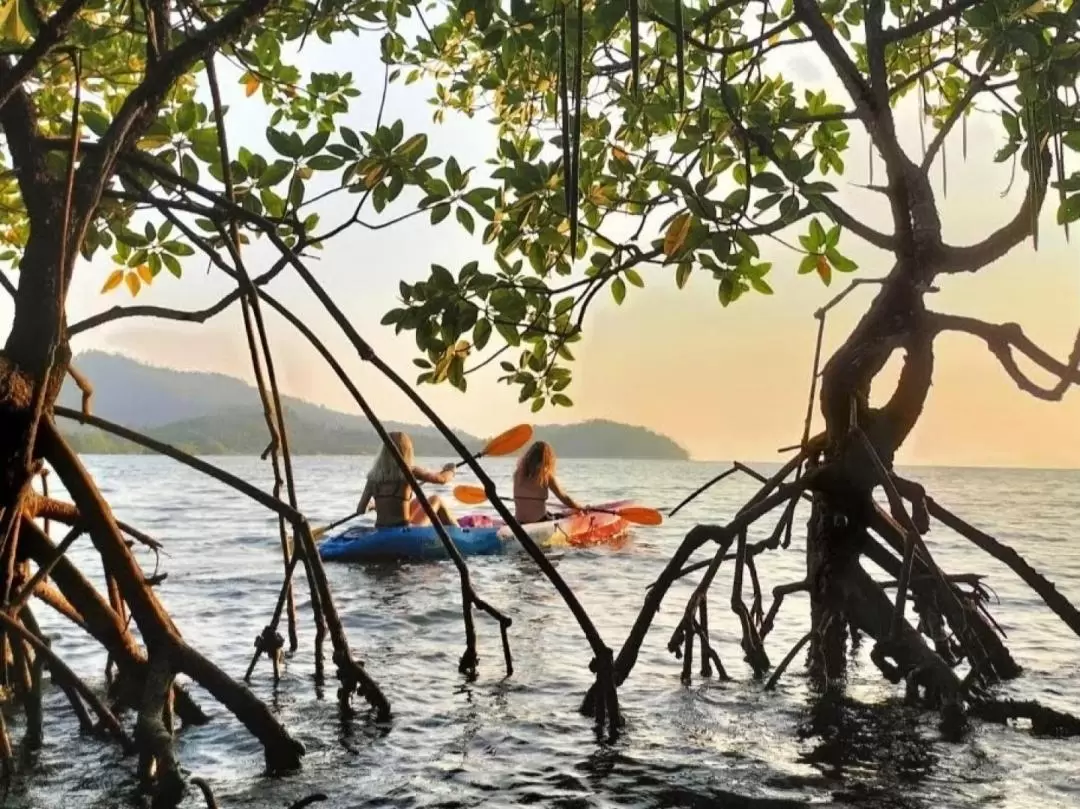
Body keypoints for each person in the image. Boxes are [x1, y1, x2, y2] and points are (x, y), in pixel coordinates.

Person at [357, 432, 459, 527]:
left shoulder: (373, 477)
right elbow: (442, 479)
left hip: (381, 528)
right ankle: (461, 531)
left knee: (418, 501)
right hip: (403, 529)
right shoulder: (410, 471)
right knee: (436, 499)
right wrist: (450, 470)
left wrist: (373, 506)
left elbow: (361, 510)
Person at [513, 440, 583, 524]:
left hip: (518, 521)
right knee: (565, 516)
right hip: (539, 521)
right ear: (546, 458)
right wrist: (580, 508)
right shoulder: (545, 475)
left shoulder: (517, 473)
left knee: (552, 514)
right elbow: (564, 498)